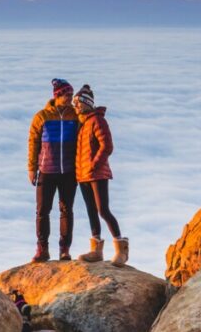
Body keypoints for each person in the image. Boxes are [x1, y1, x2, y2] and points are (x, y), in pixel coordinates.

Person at [72, 84, 128, 266]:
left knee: (103, 210)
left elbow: (107, 146)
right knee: (91, 211)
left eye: (79, 102)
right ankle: (96, 250)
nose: (76, 106)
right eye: (75, 103)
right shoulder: (82, 124)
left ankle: (121, 249)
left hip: (97, 173)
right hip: (83, 175)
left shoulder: (98, 121)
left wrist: (94, 164)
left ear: (88, 103)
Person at [27, 78, 79, 262]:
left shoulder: (75, 115)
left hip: (69, 171)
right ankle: (42, 249)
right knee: (42, 211)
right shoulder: (42, 116)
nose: (69, 98)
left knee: (66, 210)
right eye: (66, 95)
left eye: (71, 95)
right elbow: (33, 143)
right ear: (57, 96)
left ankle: (64, 249)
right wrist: (32, 169)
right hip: (46, 170)